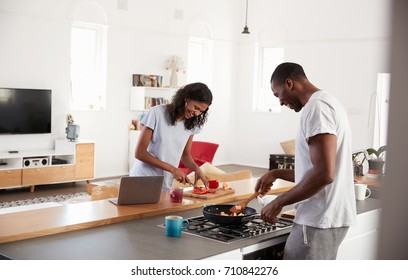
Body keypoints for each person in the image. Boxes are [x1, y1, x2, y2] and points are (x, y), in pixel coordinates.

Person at [255, 62, 356, 259]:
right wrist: (276, 173)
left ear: (289, 83)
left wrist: (278, 202)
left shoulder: (316, 108)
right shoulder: (328, 102)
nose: (281, 102)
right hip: (326, 218)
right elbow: (317, 170)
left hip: (318, 220)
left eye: (278, 95)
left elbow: (324, 175)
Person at [130, 82, 213, 190]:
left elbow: (185, 155)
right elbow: (140, 153)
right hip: (142, 178)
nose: (197, 113)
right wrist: (172, 169)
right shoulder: (156, 113)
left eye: (201, 111)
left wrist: (197, 169)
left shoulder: (192, 124)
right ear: (186, 98)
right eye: (196, 107)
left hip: (165, 183)